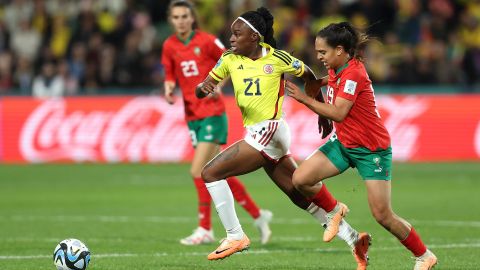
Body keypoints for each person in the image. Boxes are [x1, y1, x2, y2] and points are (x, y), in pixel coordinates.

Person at [196, 7, 371, 268]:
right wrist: (204, 87)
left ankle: (235, 236)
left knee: (210, 173)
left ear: (254, 37)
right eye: (231, 34)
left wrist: (320, 109)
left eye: (236, 33)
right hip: (260, 132)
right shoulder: (229, 59)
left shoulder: (278, 58)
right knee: (297, 193)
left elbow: (309, 76)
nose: (231, 38)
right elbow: (202, 88)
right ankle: (353, 237)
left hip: (270, 129)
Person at [285, 22, 438, 270]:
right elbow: (333, 87)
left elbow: (339, 113)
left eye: (322, 52)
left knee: (382, 215)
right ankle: (335, 210)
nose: (319, 57)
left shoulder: (354, 73)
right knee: (301, 178)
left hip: (371, 150)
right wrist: (320, 83)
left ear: (339, 50)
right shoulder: (338, 67)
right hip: (345, 143)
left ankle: (424, 255)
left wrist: (304, 98)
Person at [161, 0, 273, 246]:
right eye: (176, 17)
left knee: (197, 171)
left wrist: (218, 85)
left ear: (192, 18)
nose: (180, 20)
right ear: (171, 20)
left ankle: (205, 228)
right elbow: (170, 73)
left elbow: (229, 60)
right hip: (192, 115)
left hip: (212, 112)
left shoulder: (207, 41)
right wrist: (169, 88)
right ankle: (258, 215)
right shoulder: (169, 45)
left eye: (184, 16)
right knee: (218, 173)